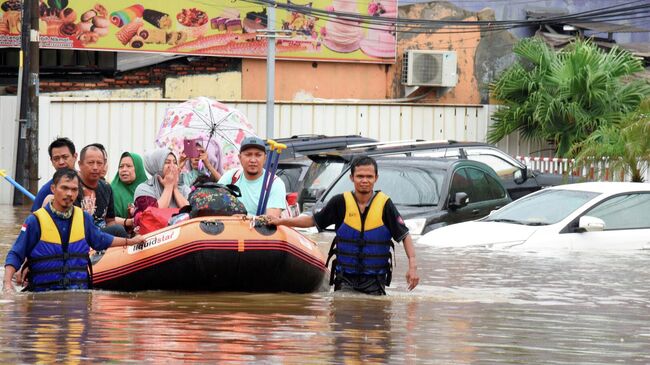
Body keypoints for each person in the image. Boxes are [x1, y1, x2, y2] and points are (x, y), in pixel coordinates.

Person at [267, 156, 419, 295]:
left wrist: (412, 267)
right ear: (352, 177)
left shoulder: (385, 204)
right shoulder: (339, 202)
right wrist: (281, 221)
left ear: (376, 178)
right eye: (360, 176)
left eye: (369, 177)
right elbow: (312, 221)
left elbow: (404, 235)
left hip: (375, 281)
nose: (364, 180)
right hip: (345, 279)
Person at [3, 168, 144, 293]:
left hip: (78, 294)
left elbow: (101, 239)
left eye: (74, 189)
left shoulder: (84, 218)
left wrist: (130, 241)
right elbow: (16, 253)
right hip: (43, 294)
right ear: (53, 189)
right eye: (64, 188)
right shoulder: (35, 221)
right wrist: (7, 284)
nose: (69, 193)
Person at [217, 136, 286, 218]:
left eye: (258, 155)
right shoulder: (231, 177)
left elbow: (271, 219)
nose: (253, 160)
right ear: (240, 158)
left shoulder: (274, 183)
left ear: (265, 158)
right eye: (248, 155)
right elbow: (215, 202)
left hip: (260, 230)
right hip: (232, 228)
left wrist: (244, 218)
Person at [76, 144, 128, 238]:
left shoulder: (106, 187)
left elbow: (110, 221)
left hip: (102, 238)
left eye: (99, 163)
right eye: (91, 163)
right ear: (80, 164)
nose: (95, 167)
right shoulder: (72, 187)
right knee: (118, 230)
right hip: (79, 237)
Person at [31, 137, 78, 212]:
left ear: (75, 156)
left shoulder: (88, 182)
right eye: (56, 159)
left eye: (65, 157)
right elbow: (34, 220)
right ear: (51, 161)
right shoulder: (45, 191)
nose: (61, 162)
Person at [110, 152, 148, 230]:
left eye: (128, 166)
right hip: (120, 236)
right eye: (121, 166)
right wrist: (130, 221)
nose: (124, 169)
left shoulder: (148, 189)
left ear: (138, 168)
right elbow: (108, 220)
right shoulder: (111, 190)